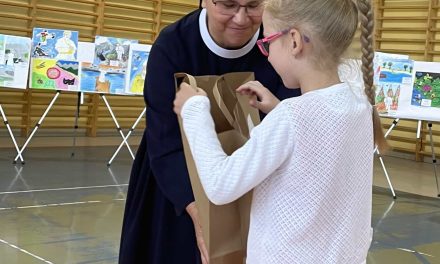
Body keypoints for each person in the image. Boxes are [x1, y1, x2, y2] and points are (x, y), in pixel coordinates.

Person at [174, 0, 387, 263]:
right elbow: (317, 149)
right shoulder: (359, 108)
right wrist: (277, 107)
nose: (267, 53)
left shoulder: (291, 117)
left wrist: (194, 109)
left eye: (267, 43)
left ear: (294, 41)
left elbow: (221, 185)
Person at [117, 0, 300, 262]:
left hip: (252, 175)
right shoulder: (173, 45)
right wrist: (198, 212)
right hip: (177, 178)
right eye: (228, 5)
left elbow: (290, 120)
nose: (240, 18)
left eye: (252, 6)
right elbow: (164, 137)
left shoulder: (278, 44)